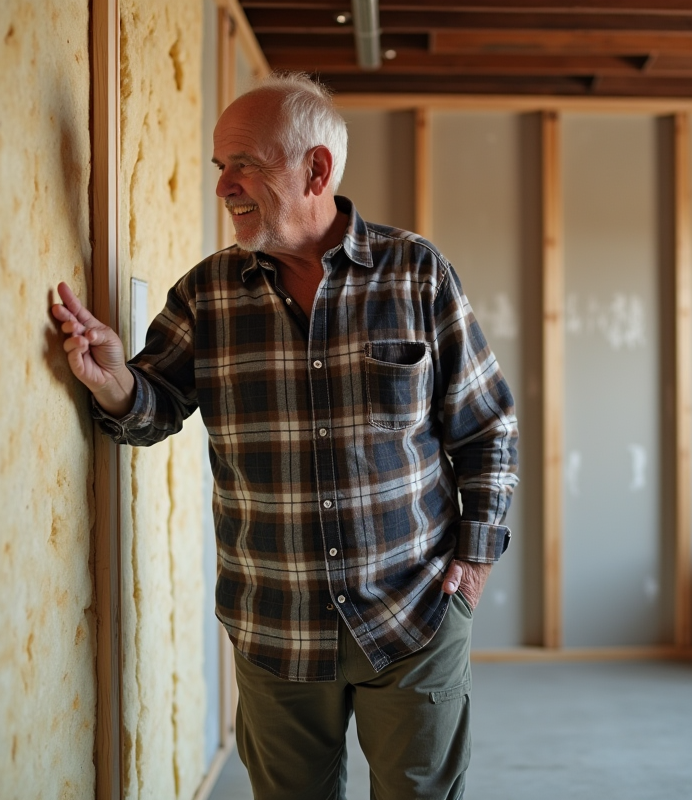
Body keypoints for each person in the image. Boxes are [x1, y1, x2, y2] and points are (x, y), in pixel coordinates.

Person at [51, 72, 518, 800]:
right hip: (274, 625)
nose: (223, 186)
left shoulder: (416, 274)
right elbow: (153, 408)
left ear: (316, 170)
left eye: (244, 164)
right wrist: (113, 381)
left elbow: (486, 425)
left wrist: (476, 560)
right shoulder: (206, 293)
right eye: (220, 166)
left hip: (415, 613)